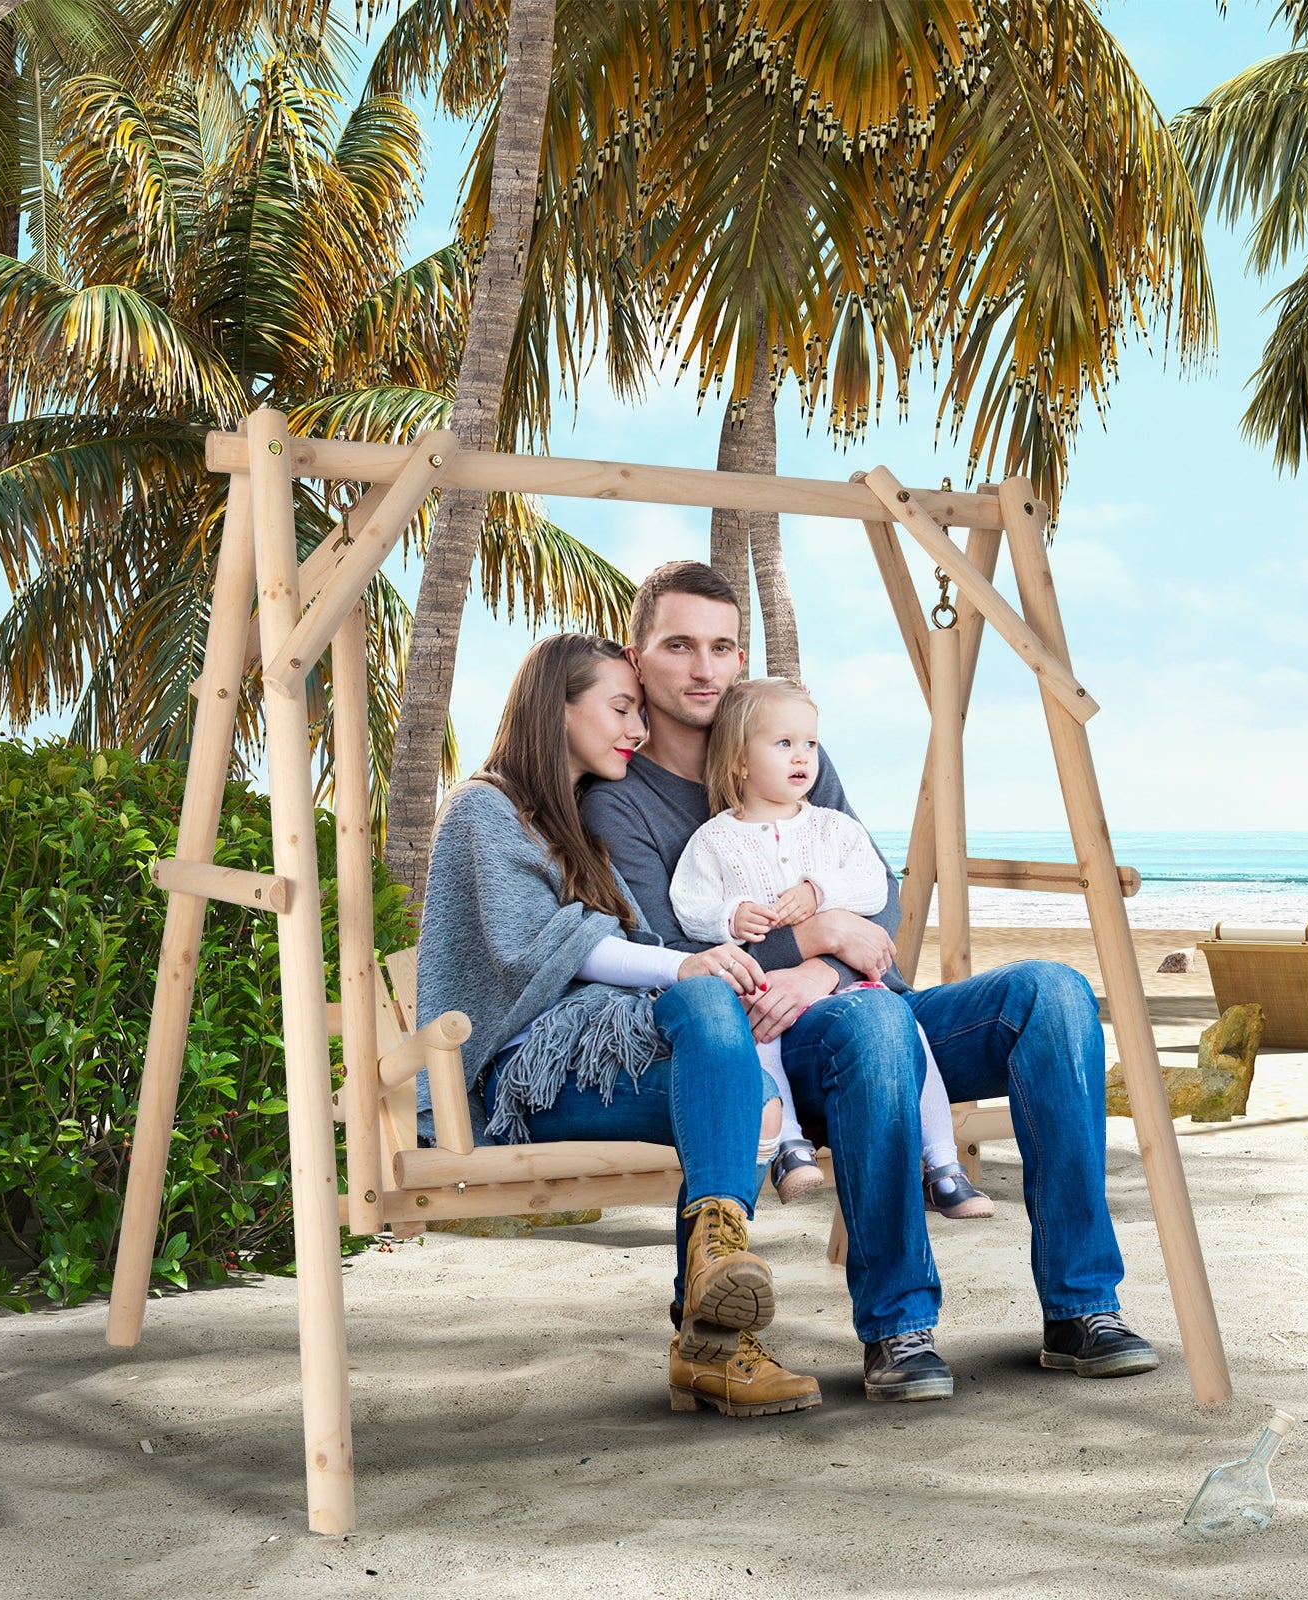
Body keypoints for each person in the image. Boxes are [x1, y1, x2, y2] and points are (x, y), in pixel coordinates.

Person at [584, 561, 1160, 1403]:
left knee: (1055, 994)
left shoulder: (790, 750)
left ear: (740, 658)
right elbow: (674, 954)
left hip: (866, 1005)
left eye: (721, 647)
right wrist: (815, 939)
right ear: (640, 659)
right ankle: (898, 1329)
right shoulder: (621, 802)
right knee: (875, 1029)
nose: (704, 668)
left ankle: (1081, 1310)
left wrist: (821, 958)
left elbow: (875, 896)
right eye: (679, 646)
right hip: (773, 1045)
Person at [415, 632, 821, 1418]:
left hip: (598, 1068)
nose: (636, 729)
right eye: (621, 708)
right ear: (556, 709)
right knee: (712, 1023)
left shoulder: (574, 822)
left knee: (748, 1095)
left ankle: (710, 1326)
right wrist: (684, 967)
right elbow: (527, 948)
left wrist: (693, 967)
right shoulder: (482, 808)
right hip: (520, 1079)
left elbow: (624, 943)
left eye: (638, 711)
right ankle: (714, 1346)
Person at [669, 675, 993, 1219]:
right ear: (741, 763)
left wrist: (821, 894)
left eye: (810, 744)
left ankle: (942, 1166)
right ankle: (790, 1147)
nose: (803, 757)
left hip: (847, 993)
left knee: (911, 1038)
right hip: (768, 995)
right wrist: (730, 916)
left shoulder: (834, 829)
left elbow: (873, 885)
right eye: (783, 743)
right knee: (759, 1038)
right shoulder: (715, 840)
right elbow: (689, 905)